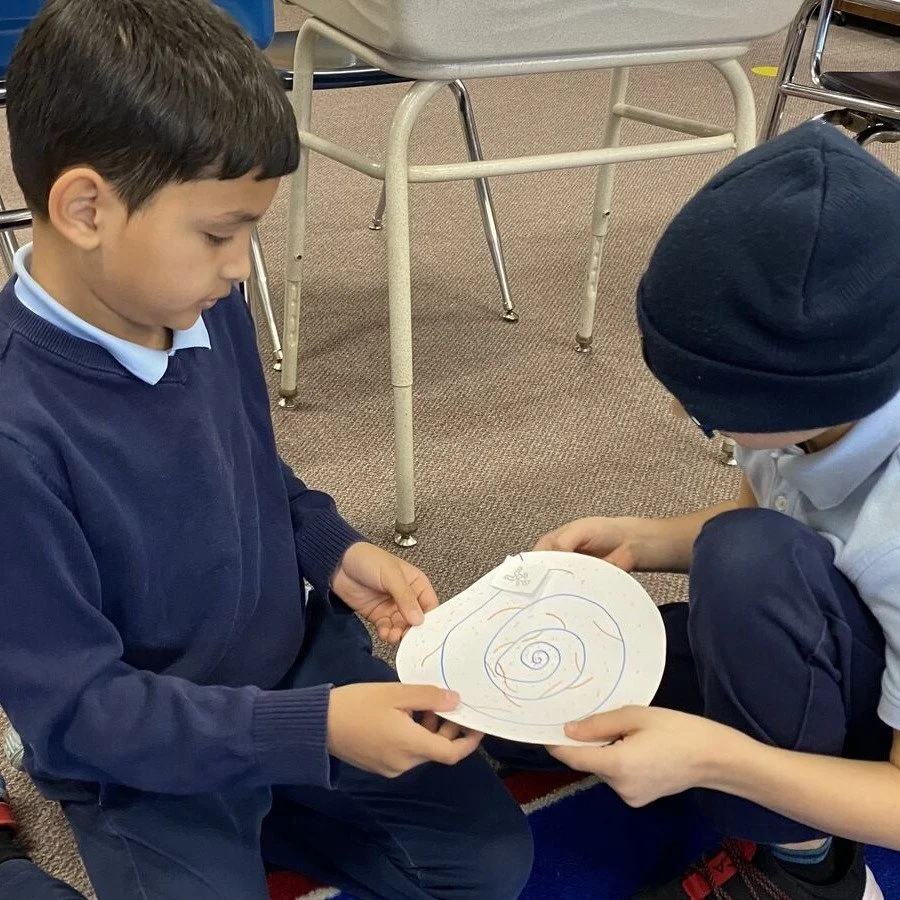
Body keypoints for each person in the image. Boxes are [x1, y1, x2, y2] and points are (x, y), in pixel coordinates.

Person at [0, 1, 533, 898]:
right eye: (219, 232)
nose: (242, 266)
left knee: (486, 862)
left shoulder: (202, 304)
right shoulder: (16, 435)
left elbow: (252, 476)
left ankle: (270, 807)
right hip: (139, 751)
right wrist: (312, 732)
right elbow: (82, 710)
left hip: (290, 672)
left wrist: (334, 549)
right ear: (85, 207)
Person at [538, 121, 899, 900]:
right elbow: (776, 516)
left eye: (705, 410)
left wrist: (710, 757)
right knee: (545, 713)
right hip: (830, 634)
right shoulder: (809, 397)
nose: (681, 414)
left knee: (744, 562)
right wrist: (645, 539)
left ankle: (811, 869)